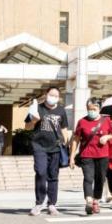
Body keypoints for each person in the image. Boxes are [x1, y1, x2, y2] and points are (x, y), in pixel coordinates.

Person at [24, 87, 69, 216]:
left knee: (53, 176)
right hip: (39, 146)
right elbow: (27, 126)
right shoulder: (37, 108)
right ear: (45, 95)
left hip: (55, 147)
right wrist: (34, 120)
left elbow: (64, 128)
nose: (53, 97)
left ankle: (52, 204)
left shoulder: (61, 110)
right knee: (40, 172)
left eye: (56, 95)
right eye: (51, 94)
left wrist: (66, 143)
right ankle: (39, 203)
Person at [69, 98, 112, 216]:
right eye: (89, 109)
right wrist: (72, 156)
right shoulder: (82, 122)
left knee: (100, 179)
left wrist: (107, 137)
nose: (91, 111)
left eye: (94, 109)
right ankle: (88, 201)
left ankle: (96, 201)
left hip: (103, 155)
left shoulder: (107, 120)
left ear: (99, 109)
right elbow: (76, 139)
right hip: (86, 155)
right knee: (88, 178)